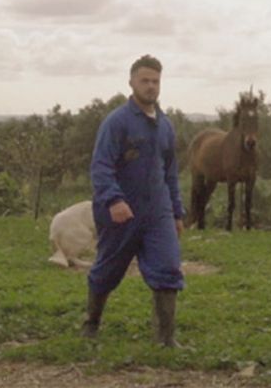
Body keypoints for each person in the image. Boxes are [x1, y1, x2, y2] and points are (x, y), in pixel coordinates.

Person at [83, 54, 185, 347]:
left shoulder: (165, 125)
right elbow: (101, 166)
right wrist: (114, 200)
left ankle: (166, 340)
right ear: (132, 82)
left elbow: (171, 173)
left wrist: (177, 211)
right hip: (120, 213)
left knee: (168, 267)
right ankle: (92, 322)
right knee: (107, 269)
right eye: (145, 80)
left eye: (155, 81)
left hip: (158, 212)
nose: (151, 86)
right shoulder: (117, 122)